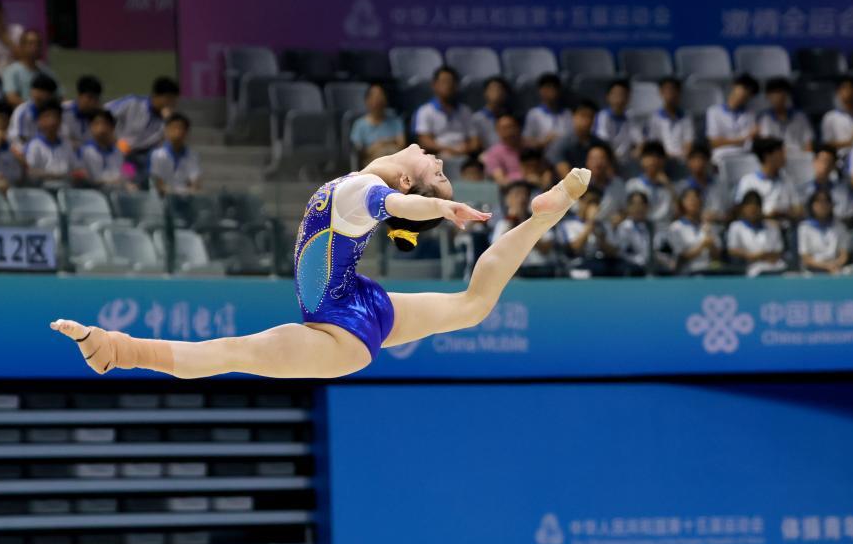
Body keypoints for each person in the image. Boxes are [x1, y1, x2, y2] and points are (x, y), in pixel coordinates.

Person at [51, 146, 591, 379]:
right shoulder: (359, 186)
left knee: (231, 352)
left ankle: (117, 351)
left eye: (437, 171)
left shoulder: (363, 191)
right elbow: (399, 205)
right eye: (441, 170)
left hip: (339, 331)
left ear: (406, 180)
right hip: (360, 302)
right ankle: (543, 218)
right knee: (473, 306)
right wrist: (434, 202)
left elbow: (399, 207)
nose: (437, 158)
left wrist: (440, 206)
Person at [491, 180, 555, 276]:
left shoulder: (541, 221)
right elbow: (498, 251)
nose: (522, 198)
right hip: (514, 273)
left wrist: (524, 224)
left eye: (525, 194)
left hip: (541, 270)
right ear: (508, 200)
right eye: (517, 194)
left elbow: (546, 248)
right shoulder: (502, 224)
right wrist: (512, 221)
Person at [413, 65, 479, 158]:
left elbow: (475, 141)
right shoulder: (425, 111)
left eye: (451, 82)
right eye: (444, 82)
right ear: (434, 85)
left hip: (464, 154)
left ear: (456, 86)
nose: (448, 85)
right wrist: (447, 149)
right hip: (439, 155)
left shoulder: (465, 111)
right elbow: (424, 141)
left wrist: (467, 148)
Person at [106, 76, 180, 158]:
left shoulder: (167, 119)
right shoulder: (133, 103)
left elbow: (168, 145)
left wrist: (169, 122)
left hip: (141, 156)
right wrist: (114, 140)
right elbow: (103, 114)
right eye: (169, 99)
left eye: (174, 100)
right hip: (115, 148)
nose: (171, 103)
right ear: (156, 95)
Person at [735, 138, 802, 222]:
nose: (784, 157)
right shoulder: (748, 181)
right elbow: (741, 212)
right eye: (781, 153)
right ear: (768, 156)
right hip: (758, 227)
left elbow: (798, 209)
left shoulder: (787, 181)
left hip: (784, 226)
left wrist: (783, 214)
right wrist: (767, 216)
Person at [726, 191, 787, 276]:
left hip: (774, 267)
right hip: (749, 269)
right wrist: (751, 256)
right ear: (743, 209)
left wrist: (764, 255)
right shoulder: (736, 227)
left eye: (755, 209)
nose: (753, 212)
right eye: (750, 209)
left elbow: (778, 251)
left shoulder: (772, 227)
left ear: (761, 208)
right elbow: (732, 250)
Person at [24, 101, 82, 184]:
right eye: (47, 116)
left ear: (60, 121)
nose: (52, 121)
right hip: (41, 188)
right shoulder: (34, 145)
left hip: (66, 187)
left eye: (55, 117)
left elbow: (76, 168)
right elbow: (30, 172)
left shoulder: (66, 145)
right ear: (39, 121)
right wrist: (53, 175)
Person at [667, 187, 721, 275]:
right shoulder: (675, 227)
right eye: (689, 199)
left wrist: (711, 245)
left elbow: (717, 256)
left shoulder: (708, 226)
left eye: (696, 198)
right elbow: (682, 256)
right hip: (686, 274)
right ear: (682, 202)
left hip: (708, 273)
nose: (693, 202)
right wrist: (702, 245)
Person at [547, 100, 606, 180]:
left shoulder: (600, 144)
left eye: (590, 116)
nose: (587, 120)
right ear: (573, 116)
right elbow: (566, 176)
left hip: (596, 184)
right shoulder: (561, 144)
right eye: (583, 115)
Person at [706, 74, 759, 163]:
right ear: (734, 86)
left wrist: (732, 141)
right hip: (721, 156)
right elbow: (714, 142)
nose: (745, 93)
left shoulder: (751, 115)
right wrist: (741, 139)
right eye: (744, 88)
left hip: (745, 156)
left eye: (750, 92)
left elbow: (750, 141)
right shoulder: (713, 111)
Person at [349, 83, 404, 168]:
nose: (377, 100)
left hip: (396, 161)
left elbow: (402, 145)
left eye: (380, 96)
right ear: (367, 101)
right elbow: (359, 151)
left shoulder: (395, 121)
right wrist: (388, 142)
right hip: (372, 164)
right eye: (374, 96)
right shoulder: (359, 124)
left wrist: (381, 143)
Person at [2, 29, 60, 107]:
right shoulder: (11, 70)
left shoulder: (46, 71)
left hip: (47, 113)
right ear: (21, 47)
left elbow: (59, 96)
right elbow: (11, 98)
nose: (35, 47)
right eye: (30, 43)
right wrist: (33, 108)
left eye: (38, 44)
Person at [798, 190, 851, 274]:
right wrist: (826, 266)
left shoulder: (840, 227)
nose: (822, 205)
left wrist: (834, 265)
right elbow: (805, 258)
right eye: (818, 201)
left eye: (826, 201)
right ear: (811, 205)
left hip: (835, 269)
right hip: (812, 271)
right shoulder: (804, 227)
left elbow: (843, 255)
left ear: (831, 205)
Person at [149, 112, 201, 195]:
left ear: (187, 132)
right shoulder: (156, 154)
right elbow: (158, 182)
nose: (177, 131)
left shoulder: (193, 156)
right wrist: (183, 191)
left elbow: (195, 182)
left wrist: (191, 189)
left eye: (181, 128)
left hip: (184, 199)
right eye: (174, 128)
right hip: (160, 199)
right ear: (166, 130)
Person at [678, 144, 730, 225]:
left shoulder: (720, 184)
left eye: (702, 158)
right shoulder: (682, 187)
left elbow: (729, 212)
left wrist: (719, 217)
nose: (699, 162)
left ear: (708, 161)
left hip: (719, 227)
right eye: (694, 159)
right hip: (691, 229)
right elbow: (678, 214)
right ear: (688, 162)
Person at [757, 78, 813, 153]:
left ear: (787, 94)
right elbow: (766, 143)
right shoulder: (764, 118)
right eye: (773, 93)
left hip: (799, 156)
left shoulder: (800, 117)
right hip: (775, 157)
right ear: (767, 96)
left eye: (779, 92)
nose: (776, 96)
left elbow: (808, 143)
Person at [626, 141, 675, 226]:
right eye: (649, 156)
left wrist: (669, 186)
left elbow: (675, 212)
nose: (653, 160)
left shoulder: (669, 187)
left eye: (658, 156)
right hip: (638, 228)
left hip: (663, 229)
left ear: (663, 161)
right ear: (642, 160)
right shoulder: (632, 184)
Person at [593, 78, 642, 162]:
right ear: (608, 97)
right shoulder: (602, 116)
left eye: (623, 94)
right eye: (615, 94)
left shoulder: (631, 117)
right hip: (607, 161)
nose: (619, 98)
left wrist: (637, 152)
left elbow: (640, 141)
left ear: (628, 98)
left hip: (627, 162)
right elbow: (603, 143)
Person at [605, 191, 652, 276]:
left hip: (649, 268)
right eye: (634, 204)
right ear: (628, 207)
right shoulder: (624, 227)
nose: (638, 208)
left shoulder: (651, 226)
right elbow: (619, 252)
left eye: (641, 204)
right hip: (630, 269)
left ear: (647, 207)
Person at [801, 146, 853, 222]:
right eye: (821, 161)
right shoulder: (803, 189)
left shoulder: (842, 190)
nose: (825, 165)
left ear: (833, 166)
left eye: (828, 162)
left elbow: (845, 213)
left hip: (835, 226)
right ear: (814, 162)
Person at [80, 110, 129, 189]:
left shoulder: (120, 152)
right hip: (93, 192)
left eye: (106, 124)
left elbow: (130, 175)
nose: (101, 129)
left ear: (113, 128)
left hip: (118, 192)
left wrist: (129, 182)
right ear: (90, 127)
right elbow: (84, 180)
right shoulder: (83, 152)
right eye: (97, 124)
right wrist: (110, 181)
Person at [646, 77, 693, 160]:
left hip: (682, 159)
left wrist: (682, 157)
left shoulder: (686, 117)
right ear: (661, 92)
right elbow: (654, 144)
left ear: (679, 92)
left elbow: (689, 142)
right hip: (661, 159)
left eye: (673, 89)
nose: (670, 93)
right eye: (666, 90)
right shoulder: (654, 118)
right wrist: (665, 157)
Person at [9, 74, 59, 151]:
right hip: (22, 150)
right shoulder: (23, 112)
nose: (39, 95)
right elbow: (20, 141)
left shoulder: (53, 112)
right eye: (37, 90)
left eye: (43, 91)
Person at [522, 73, 572, 150]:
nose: (551, 91)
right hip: (542, 153)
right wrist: (544, 142)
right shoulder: (533, 114)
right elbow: (527, 141)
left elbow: (573, 138)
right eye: (547, 87)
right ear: (540, 91)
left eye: (554, 87)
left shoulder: (567, 113)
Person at [583, 143, 627, 225]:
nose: (598, 163)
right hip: (583, 228)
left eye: (601, 158)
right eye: (594, 159)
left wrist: (621, 217)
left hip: (610, 229)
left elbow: (624, 210)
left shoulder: (618, 184)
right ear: (587, 162)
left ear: (608, 162)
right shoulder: (578, 185)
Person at [820, 76, 853, 157]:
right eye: (843, 88)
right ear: (838, 92)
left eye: (850, 88)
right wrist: (850, 143)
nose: (847, 92)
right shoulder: (830, 117)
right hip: (839, 158)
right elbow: (827, 144)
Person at [480, 114, 524, 187]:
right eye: (504, 128)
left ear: (518, 127)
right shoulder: (493, 153)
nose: (509, 131)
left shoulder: (529, 148)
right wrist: (524, 178)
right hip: (511, 190)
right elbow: (501, 180)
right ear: (498, 131)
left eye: (511, 126)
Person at [63, 75, 103, 149]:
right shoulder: (63, 112)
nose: (92, 102)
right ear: (79, 96)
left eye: (96, 99)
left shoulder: (99, 118)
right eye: (90, 98)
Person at [471, 76, 511, 151]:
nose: (497, 92)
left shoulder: (512, 117)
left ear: (505, 93)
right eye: (493, 89)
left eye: (500, 89)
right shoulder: (476, 119)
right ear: (485, 93)